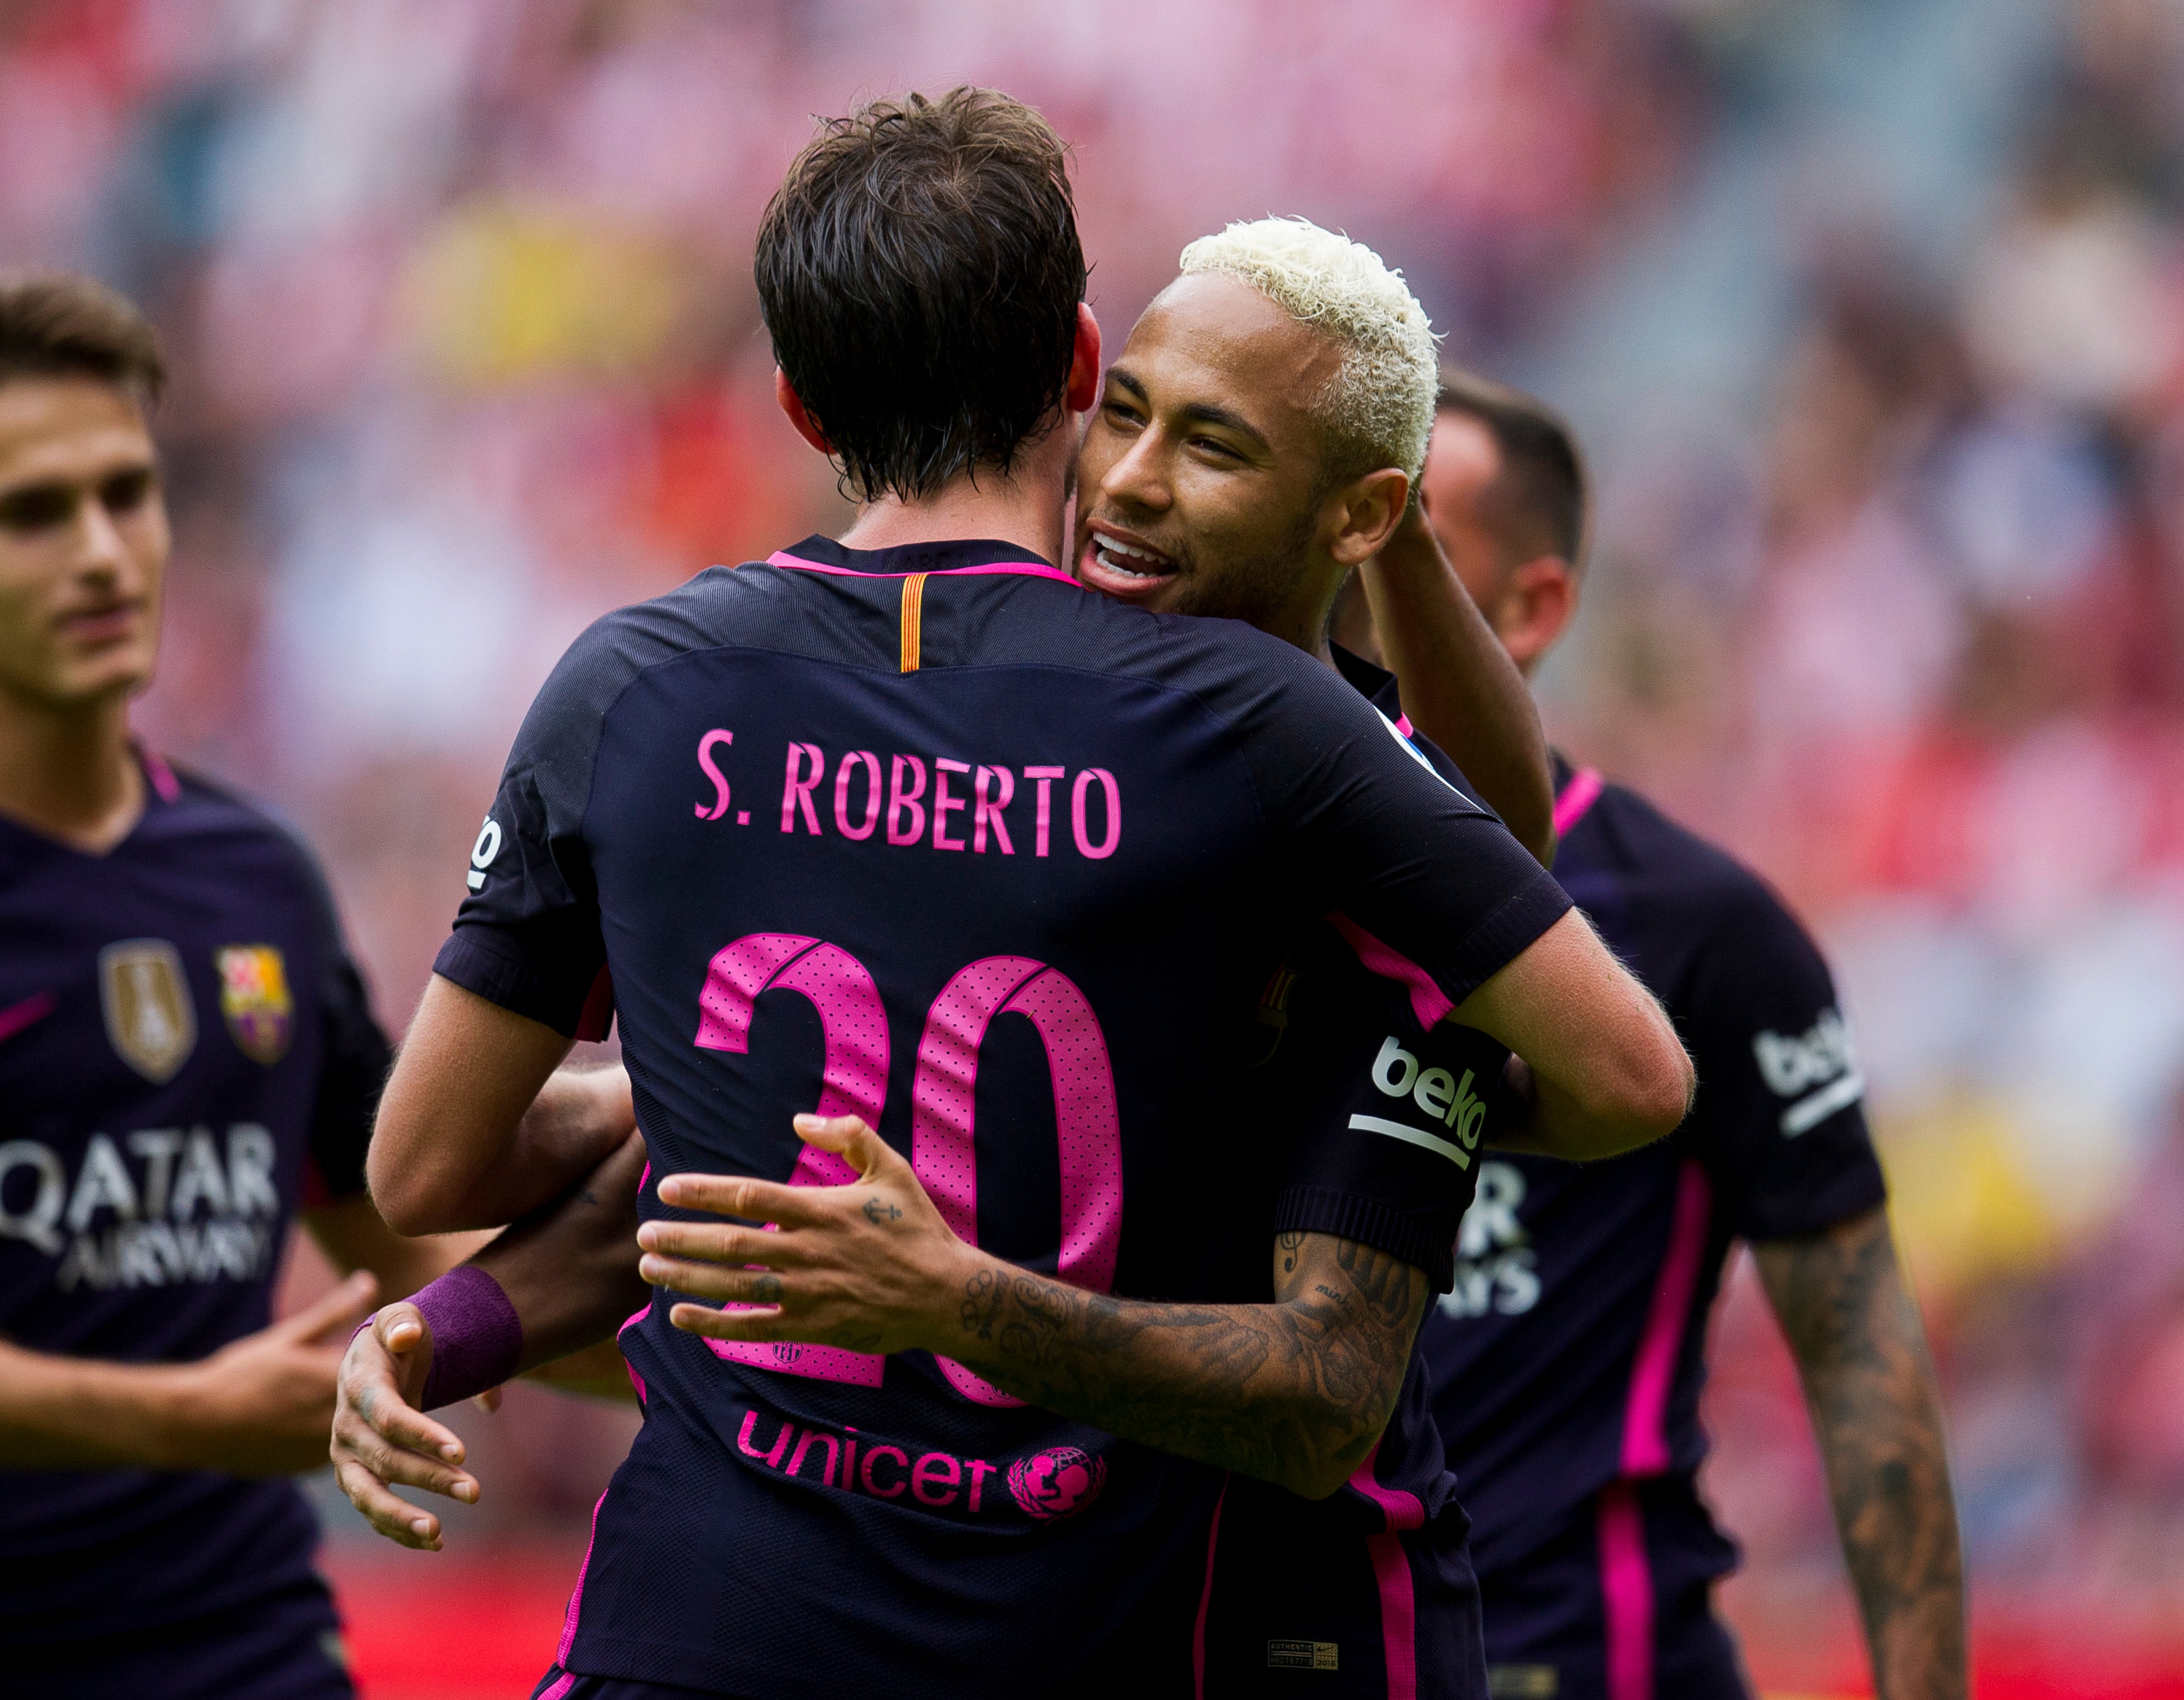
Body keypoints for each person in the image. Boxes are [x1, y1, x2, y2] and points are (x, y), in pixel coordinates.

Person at [331, 93, 1690, 1700]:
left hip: (720, 1627)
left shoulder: (633, 682)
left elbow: (427, 1161)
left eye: (1218, 441)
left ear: (793, 402)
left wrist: (647, 1132)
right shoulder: (1260, 743)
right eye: (1132, 413)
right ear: (1076, 366)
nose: (1134, 484)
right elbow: (1608, 1041)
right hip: (1073, 1625)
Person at [0, 272, 638, 1700]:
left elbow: (412, 1244)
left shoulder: (256, 876)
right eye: (31, 511)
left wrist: (752, 1368)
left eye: (129, 493)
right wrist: (183, 1412)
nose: (103, 551)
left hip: (244, 1643)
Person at [1342, 372, 1968, 1700]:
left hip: (1581, 1656)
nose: (1368, 576)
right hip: (1308, 1648)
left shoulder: (1703, 930)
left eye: (1420, 548)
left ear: (1535, 607)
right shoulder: (1249, 884)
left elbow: (1856, 1340)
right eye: (1351, 529)